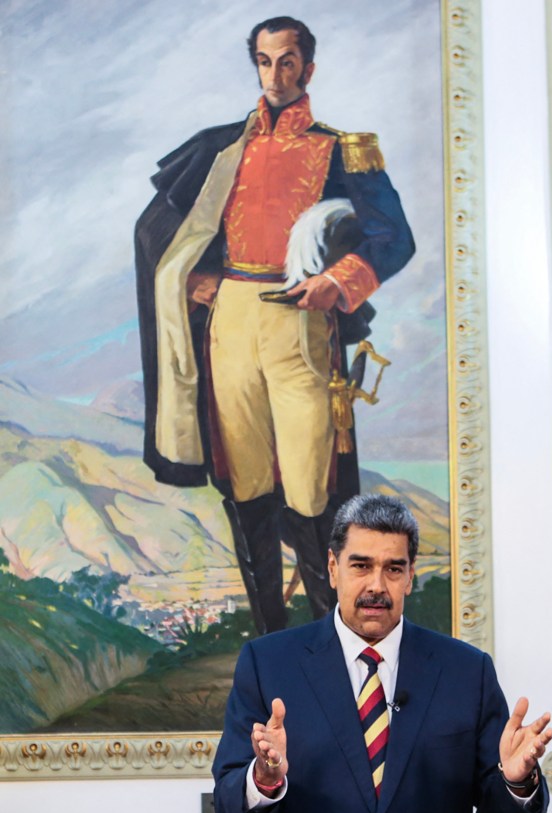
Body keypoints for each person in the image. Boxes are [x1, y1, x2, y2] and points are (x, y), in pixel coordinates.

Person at [134, 17, 415, 635]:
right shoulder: (220, 148)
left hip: (301, 326)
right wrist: (193, 278)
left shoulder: (341, 150)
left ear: (307, 69)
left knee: (313, 491)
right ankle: (269, 637)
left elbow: (394, 239)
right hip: (231, 325)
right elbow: (159, 232)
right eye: (264, 62)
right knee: (246, 484)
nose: (275, 74)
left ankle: (328, 635)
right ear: (255, 66)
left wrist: (337, 281)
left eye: (287, 62)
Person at [212, 493, 552, 813]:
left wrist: (516, 782)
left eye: (394, 568)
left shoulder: (464, 671)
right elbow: (231, 804)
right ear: (332, 568)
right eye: (360, 566)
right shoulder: (269, 664)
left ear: (410, 576)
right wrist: (264, 781)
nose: (377, 584)